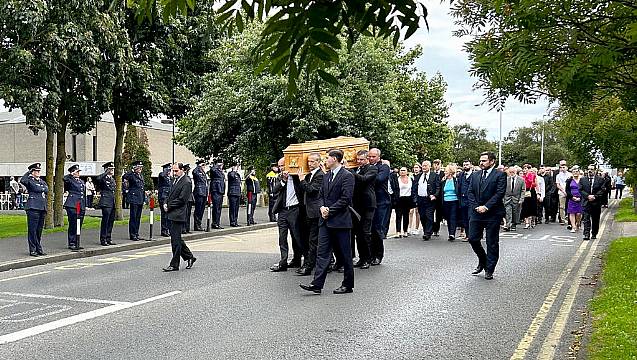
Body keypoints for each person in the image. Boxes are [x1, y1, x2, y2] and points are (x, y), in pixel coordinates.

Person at [300, 149, 355, 295]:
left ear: (335, 159)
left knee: (345, 254)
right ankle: (317, 284)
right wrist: (322, 207)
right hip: (325, 221)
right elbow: (321, 196)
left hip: (341, 221)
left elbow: (346, 199)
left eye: (327, 158)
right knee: (322, 253)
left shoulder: (347, 176)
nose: (325, 160)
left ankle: (347, 284)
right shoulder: (327, 176)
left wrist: (330, 210)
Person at [467, 151, 507, 280]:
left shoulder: (500, 175)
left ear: (492, 162)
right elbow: (470, 192)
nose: (481, 162)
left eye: (484, 160)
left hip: (493, 213)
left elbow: (499, 193)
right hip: (476, 212)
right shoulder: (475, 175)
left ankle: (490, 269)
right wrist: (476, 207)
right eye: (480, 160)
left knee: (492, 242)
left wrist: (486, 206)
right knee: (473, 239)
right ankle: (483, 260)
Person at [269, 157, 305, 272]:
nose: (281, 168)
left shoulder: (296, 177)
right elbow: (274, 190)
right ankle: (283, 262)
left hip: (295, 210)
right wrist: (283, 181)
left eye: (283, 165)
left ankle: (302, 260)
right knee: (282, 238)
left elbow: (303, 190)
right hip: (283, 211)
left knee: (297, 237)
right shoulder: (280, 177)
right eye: (279, 166)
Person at [162, 163, 197, 272]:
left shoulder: (186, 182)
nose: (174, 173)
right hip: (172, 212)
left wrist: (169, 206)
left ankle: (174, 264)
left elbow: (182, 199)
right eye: (173, 171)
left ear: (182, 170)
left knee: (175, 241)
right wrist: (165, 203)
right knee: (176, 238)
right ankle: (190, 257)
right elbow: (170, 194)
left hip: (178, 213)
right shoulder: (175, 180)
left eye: (176, 171)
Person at [297, 152, 325, 275]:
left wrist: (302, 180)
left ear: (319, 162)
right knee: (314, 239)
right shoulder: (311, 175)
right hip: (309, 212)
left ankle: (309, 267)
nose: (310, 164)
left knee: (314, 240)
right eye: (308, 161)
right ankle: (327, 262)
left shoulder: (320, 175)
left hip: (316, 212)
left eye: (313, 161)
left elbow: (312, 190)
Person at [349, 150, 378, 268]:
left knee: (366, 232)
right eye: (358, 159)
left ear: (367, 159)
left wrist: (350, 171)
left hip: (368, 204)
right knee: (358, 233)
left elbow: (364, 179)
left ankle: (368, 258)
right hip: (357, 205)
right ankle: (361, 258)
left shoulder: (372, 169)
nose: (359, 161)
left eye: (362, 159)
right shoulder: (356, 169)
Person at [367, 148, 390, 265]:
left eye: (373, 157)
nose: (370, 159)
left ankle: (378, 255)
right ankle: (370, 255)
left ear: (379, 157)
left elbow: (379, 179)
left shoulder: (384, 167)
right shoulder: (368, 167)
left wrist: (368, 174)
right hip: (370, 202)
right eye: (369, 157)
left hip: (381, 202)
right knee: (369, 230)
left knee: (377, 229)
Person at [20, 163, 48, 256]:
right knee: (32, 229)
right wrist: (29, 172)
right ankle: (33, 249)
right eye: (36, 171)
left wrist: (40, 188)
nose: (38, 172)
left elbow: (46, 189)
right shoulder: (30, 181)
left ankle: (38, 248)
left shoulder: (42, 181)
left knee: (39, 230)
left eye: (39, 171)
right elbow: (22, 180)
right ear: (32, 172)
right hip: (33, 207)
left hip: (42, 207)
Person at [411, 160, 440, 241]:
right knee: (422, 216)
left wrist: (435, 195)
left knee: (429, 215)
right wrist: (415, 198)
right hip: (420, 199)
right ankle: (426, 230)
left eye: (426, 166)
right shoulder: (418, 176)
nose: (424, 167)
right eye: (423, 166)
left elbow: (438, 187)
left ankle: (428, 233)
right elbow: (414, 188)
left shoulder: (434, 175)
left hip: (430, 199)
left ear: (429, 167)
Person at [580, 165, 606, 240]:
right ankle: (586, 234)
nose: (589, 171)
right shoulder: (583, 179)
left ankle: (594, 233)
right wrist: (587, 196)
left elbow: (602, 189)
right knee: (586, 218)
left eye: (591, 169)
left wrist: (595, 196)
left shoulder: (600, 179)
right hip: (586, 202)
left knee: (595, 219)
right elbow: (580, 189)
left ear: (595, 170)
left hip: (596, 202)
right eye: (588, 169)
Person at [64, 164, 86, 251]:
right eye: (76, 172)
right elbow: (64, 179)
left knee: (79, 224)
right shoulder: (70, 180)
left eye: (78, 172)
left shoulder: (81, 181)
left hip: (80, 204)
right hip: (73, 204)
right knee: (73, 223)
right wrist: (71, 174)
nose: (78, 173)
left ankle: (77, 242)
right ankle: (71, 242)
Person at [122, 161, 145, 241]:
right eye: (138, 167)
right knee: (133, 217)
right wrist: (132, 170)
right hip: (134, 198)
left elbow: (142, 188)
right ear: (135, 168)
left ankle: (136, 233)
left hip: (140, 199)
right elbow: (124, 176)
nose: (140, 169)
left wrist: (144, 198)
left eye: (141, 167)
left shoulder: (140, 176)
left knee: (138, 218)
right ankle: (132, 234)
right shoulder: (132, 175)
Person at [95, 162, 117, 246]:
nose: (112, 171)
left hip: (112, 202)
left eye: (112, 169)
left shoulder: (112, 179)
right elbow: (97, 179)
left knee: (111, 221)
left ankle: (108, 238)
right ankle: (103, 239)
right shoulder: (103, 178)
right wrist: (105, 173)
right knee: (105, 221)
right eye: (110, 169)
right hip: (105, 202)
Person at [440, 164, 460, 241]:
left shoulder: (456, 180)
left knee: (453, 217)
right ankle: (450, 232)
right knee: (448, 218)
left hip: (454, 201)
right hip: (445, 202)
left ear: (451, 172)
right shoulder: (443, 181)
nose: (445, 172)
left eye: (446, 171)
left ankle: (452, 234)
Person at [503, 166, 525, 231]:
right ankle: (508, 225)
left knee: (516, 213)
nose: (512, 173)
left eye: (513, 172)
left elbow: (523, 190)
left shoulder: (521, 180)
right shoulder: (506, 179)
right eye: (510, 172)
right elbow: (503, 190)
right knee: (508, 212)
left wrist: (521, 199)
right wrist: (503, 198)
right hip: (507, 199)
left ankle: (514, 224)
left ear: (516, 172)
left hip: (517, 199)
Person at [395, 167, 413, 238]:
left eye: (404, 170)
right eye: (401, 170)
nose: (402, 172)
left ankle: (405, 231)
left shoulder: (410, 179)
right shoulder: (397, 179)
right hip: (399, 198)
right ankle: (398, 231)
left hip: (408, 198)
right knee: (398, 215)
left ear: (407, 172)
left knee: (406, 215)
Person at [457, 160, 474, 241]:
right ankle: (467, 235)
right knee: (465, 218)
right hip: (462, 200)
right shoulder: (461, 175)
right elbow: (458, 187)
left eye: (467, 164)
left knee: (472, 218)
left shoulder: (475, 175)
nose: (465, 166)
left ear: (470, 165)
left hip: (472, 201)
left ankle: (473, 235)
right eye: (464, 165)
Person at [566, 166, 584, 234]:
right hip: (572, 198)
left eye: (577, 171)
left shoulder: (582, 180)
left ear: (579, 172)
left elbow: (585, 189)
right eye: (574, 172)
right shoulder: (569, 180)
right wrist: (572, 197)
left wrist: (580, 197)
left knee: (579, 213)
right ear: (572, 173)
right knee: (572, 213)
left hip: (580, 198)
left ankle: (578, 223)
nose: (575, 173)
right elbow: (567, 190)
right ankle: (573, 227)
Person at [192, 159, 209, 231]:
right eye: (203, 165)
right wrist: (199, 166)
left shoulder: (203, 172)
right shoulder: (197, 171)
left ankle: (199, 224)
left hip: (204, 192)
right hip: (199, 192)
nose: (204, 166)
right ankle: (196, 225)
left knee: (202, 210)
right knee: (198, 209)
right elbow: (194, 172)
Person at [520, 165, 538, 229]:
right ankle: (527, 223)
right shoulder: (522, 177)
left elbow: (535, 184)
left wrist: (528, 176)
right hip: (525, 191)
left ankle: (533, 221)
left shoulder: (533, 175)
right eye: (523, 169)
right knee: (525, 207)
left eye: (525, 168)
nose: (524, 170)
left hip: (531, 191)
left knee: (532, 207)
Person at [209, 159, 226, 229]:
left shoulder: (220, 171)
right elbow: (212, 169)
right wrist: (217, 165)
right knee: (216, 208)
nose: (222, 166)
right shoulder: (214, 169)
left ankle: (217, 223)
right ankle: (214, 223)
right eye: (221, 164)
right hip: (216, 190)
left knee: (219, 208)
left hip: (220, 191)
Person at [555, 160, 572, 227]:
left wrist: (568, 192)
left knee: (569, 206)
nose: (563, 168)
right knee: (562, 207)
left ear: (567, 167)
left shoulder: (570, 175)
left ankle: (568, 218)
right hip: (561, 192)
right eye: (561, 167)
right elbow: (558, 184)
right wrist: (563, 191)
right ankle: (562, 219)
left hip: (569, 192)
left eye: (564, 166)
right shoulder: (558, 175)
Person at [158, 163, 172, 237]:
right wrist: (166, 170)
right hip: (163, 197)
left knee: (168, 214)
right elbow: (162, 175)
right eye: (168, 170)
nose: (169, 172)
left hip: (168, 197)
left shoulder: (170, 178)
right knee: (164, 214)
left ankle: (168, 229)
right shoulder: (162, 175)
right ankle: (164, 230)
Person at [431, 159, 445, 237]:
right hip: (433, 196)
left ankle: (436, 229)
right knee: (431, 213)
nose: (436, 166)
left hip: (440, 197)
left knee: (438, 214)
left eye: (438, 164)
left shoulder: (443, 174)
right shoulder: (431, 174)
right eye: (435, 164)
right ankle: (432, 228)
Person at [408, 163, 422, 235]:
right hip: (411, 194)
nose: (415, 169)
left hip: (417, 195)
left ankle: (417, 228)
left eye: (417, 167)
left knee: (417, 212)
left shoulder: (421, 176)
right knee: (410, 211)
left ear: (420, 168)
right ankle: (409, 227)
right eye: (414, 167)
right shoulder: (411, 176)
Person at [182, 163, 195, 234]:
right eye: (187, 170)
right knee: (184, 214)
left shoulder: (189, 178)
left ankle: (187, 228)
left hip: (189, 197)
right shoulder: (182, 178)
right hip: (185, 198)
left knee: (188, 214)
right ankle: (183, 228)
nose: (188, 171)